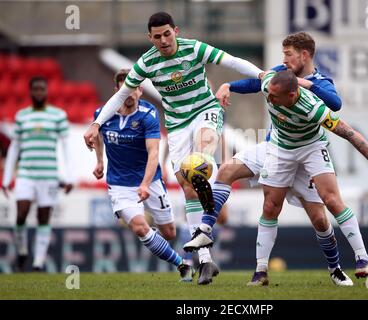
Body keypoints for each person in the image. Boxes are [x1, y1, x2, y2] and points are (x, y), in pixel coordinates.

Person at [83, 12, 263, 285]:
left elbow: (232, 61)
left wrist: (261, 74)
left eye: (167, 34)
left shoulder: (194, 49)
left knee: (202, 149)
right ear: (150, 38)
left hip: (205, 110)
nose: (164, 40)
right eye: (157, 36)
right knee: (187, 187)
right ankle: (204, 260)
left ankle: (207, 176)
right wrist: (96, 123)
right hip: (177, 125)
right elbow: (120, 95)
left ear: (175, 31)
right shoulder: (146, 63)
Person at [184, 32, 355, 286]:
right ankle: (212, 235)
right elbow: (257, 81)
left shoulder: (320, 82)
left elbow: (335, 103)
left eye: (288, 54)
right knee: (230, 174)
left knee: (319, 218)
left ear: (304, 55)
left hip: (305, 157)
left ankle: (335, 268)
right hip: (274, 149)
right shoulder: (278, 73)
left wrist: (307, 85)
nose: (283, 60)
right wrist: (229, 85)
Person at [247, 70, 368, 285]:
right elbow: (260, 75)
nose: (269, 98)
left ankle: (362, 259)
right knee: (270, 206)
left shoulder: (313, 110)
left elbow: (349, 133)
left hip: (311, 148)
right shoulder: (269, 86)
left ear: (291, 95)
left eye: (274, 96)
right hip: (280, 149)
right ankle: (261, 271)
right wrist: (228, 87)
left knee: (331, 202)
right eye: (269, 93)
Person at [92, 69, 193, 281]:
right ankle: (181, 264)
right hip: (120, 185)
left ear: (140, 90)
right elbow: (98, 136)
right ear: (117, 91)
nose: (129, 94)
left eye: (133, 89)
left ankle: (155, 235)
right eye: (124, 90)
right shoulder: (102, 114)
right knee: (139, 228)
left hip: (151, 180)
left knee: (169, 233)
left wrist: (146, 184)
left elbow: (153, 152)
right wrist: (100, 161)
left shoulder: (149, 115)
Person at [1, 76, 74, 272]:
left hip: (49, 176)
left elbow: (66, 148)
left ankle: (38, 263)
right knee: (21, 215)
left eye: (42, 89)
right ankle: (23, 250)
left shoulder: (58, 115)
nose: (39, 92)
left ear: (47, 91)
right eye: (36, 89)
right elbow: (14, 148)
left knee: (43, 218)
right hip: (26, 174)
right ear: (31, 91)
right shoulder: (22, 116)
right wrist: (7, 178)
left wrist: (69, 177)